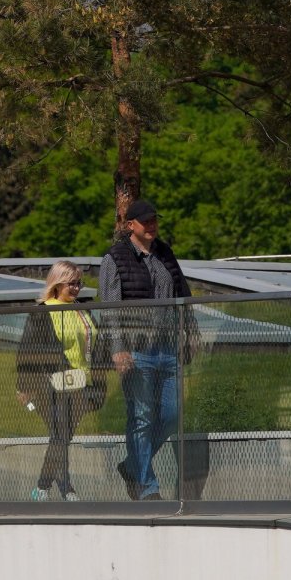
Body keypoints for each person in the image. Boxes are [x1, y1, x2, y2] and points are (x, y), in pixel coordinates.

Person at [98, 199, 192, 500]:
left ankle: (133, 464)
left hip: (168, 347)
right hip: (136, 350)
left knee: (172, 414)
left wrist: (191, 332)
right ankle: (147, 487)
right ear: (130, 226)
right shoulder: (115, 258)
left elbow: (183, 294)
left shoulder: (165, 253)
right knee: (141, 416)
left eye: (154, 220)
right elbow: (109, 309)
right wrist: (117, 349)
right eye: (145, 221)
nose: (151, 225)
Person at [14, 260, 104, 501]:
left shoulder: (83, 309)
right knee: (60, 435)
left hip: (82, 381)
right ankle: (56, 489)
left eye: (78, 283)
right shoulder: (44, 310)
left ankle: (52, 487)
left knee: (62, 437)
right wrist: (24, 387)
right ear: (57, 283)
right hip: (53, 383)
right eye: (70, 284)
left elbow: (96, 345)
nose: (75, 288)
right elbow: (27, 349)